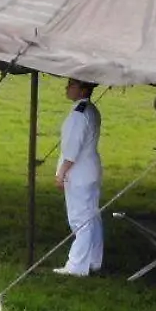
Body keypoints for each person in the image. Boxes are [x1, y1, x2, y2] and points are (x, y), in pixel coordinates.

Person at [54, 78, 104, 276]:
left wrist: (61, 173)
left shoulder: (79, 114)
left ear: (83, 89)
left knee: (80, 219)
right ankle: (94, 259)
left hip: (79, 171)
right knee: (91, 215)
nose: (67, 88)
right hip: (89, 169)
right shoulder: (90, 110)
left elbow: (72, 148)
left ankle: (77, 265)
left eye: (72, 85)